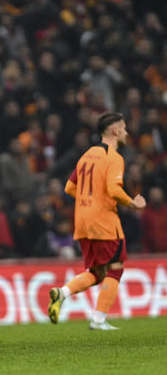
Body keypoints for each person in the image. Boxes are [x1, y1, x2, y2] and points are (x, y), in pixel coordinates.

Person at [48, 112, 146, 330]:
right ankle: (99, 319)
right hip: (104, 221)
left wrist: (90, 200)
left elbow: (69, 187)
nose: (127, 132)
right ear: (115, 130)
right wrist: (133, 203)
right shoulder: (114, 157)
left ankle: (62, 293)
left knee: (97, 272)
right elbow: (114, 189)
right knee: (116, 268)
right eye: (124, 128)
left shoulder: (87, 155)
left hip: (83, 221)